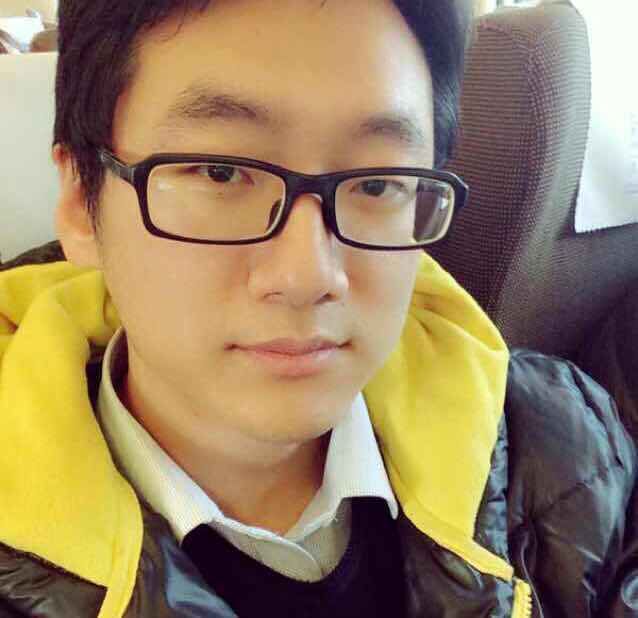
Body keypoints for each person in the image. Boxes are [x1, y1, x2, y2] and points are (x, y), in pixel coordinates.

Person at [0, 1, 636, 616]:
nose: (308, 277)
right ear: (82, 200)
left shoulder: (565, 451)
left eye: (378, 183)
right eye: (220, 173)